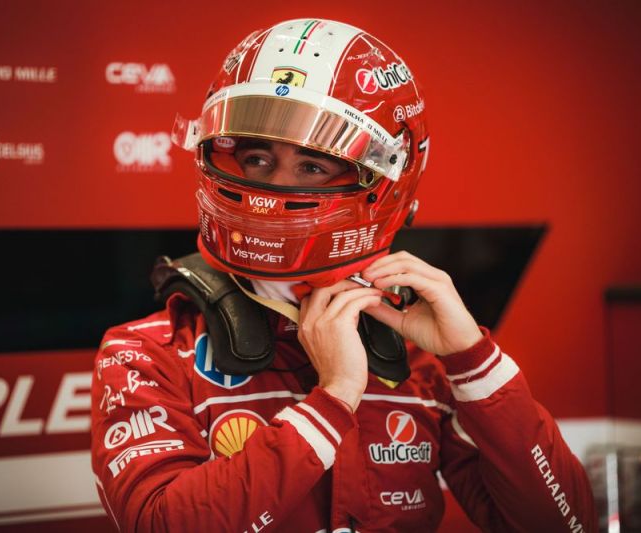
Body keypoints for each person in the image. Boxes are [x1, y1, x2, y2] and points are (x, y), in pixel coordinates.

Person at [90, 18, 595, 532]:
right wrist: (330, 404)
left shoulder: (419, 357)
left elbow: (565, 525)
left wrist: (474, 361)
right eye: (257, 158)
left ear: (385, 182)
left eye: (313, 166)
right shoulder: (147, 354)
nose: (276, 186)